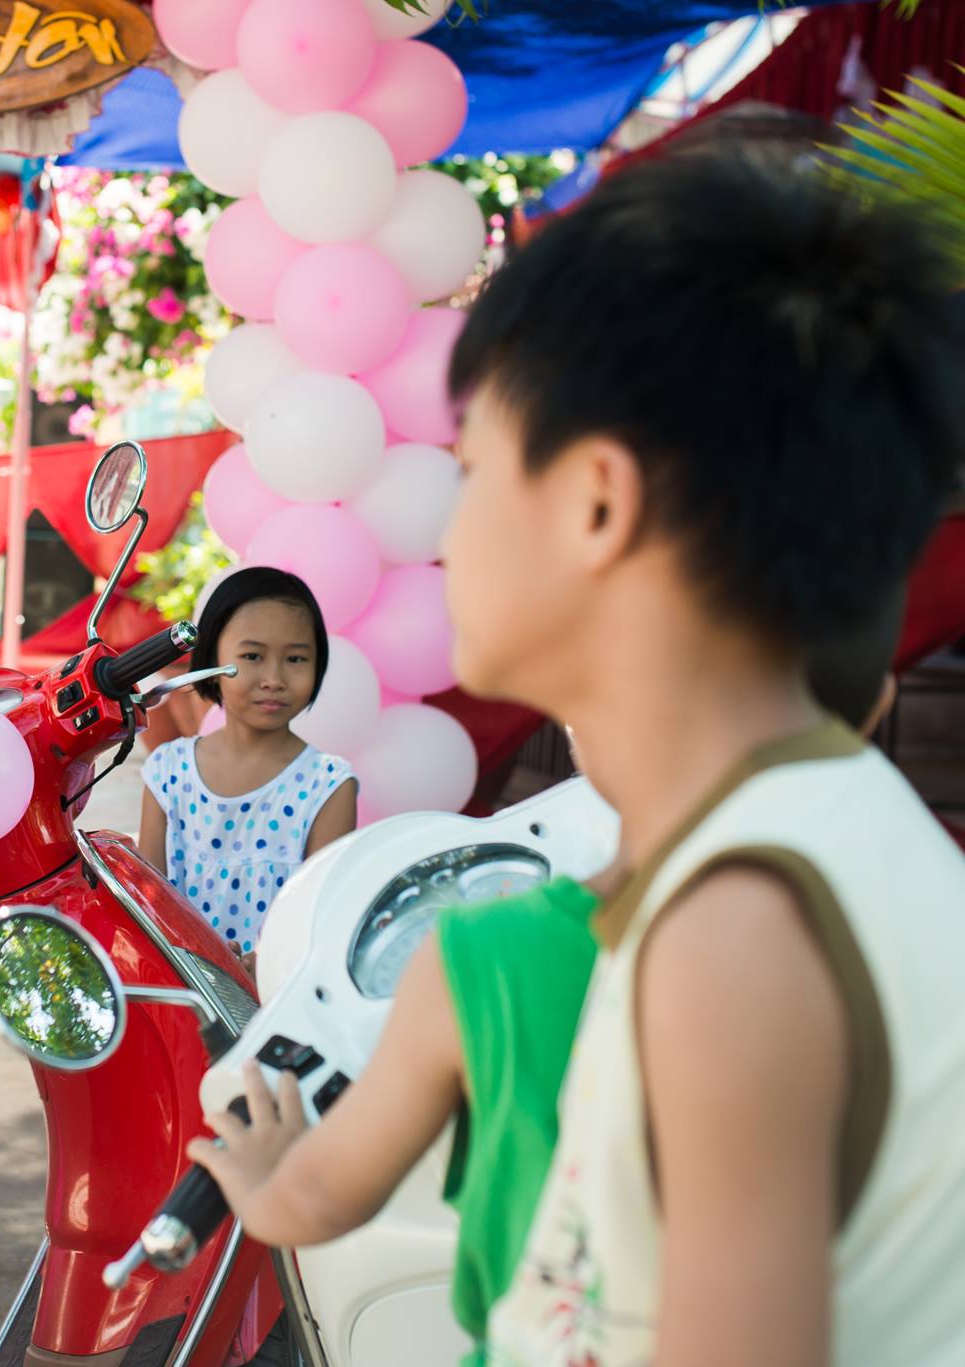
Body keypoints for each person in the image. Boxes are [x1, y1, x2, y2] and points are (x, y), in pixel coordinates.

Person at [195, 148, 965, 1367]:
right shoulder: (803, 842)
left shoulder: (738, 933)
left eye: (476, 469)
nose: (447, 526)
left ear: (596, 505)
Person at [183, 591, 905, 1366]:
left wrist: (261, 1178)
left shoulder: (481, 954)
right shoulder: (896, 931)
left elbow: (322, 1193)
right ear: (872, 709)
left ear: (577, 718)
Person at [139, 567, 358, 965]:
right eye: (252, 656)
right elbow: (148, 903)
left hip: (278, 1000)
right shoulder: (167, 772)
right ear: (212, 660)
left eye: (295, 658)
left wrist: (268, 965)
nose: (273, 678)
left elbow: (320, 915)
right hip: (180, 993)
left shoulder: (329, 784)